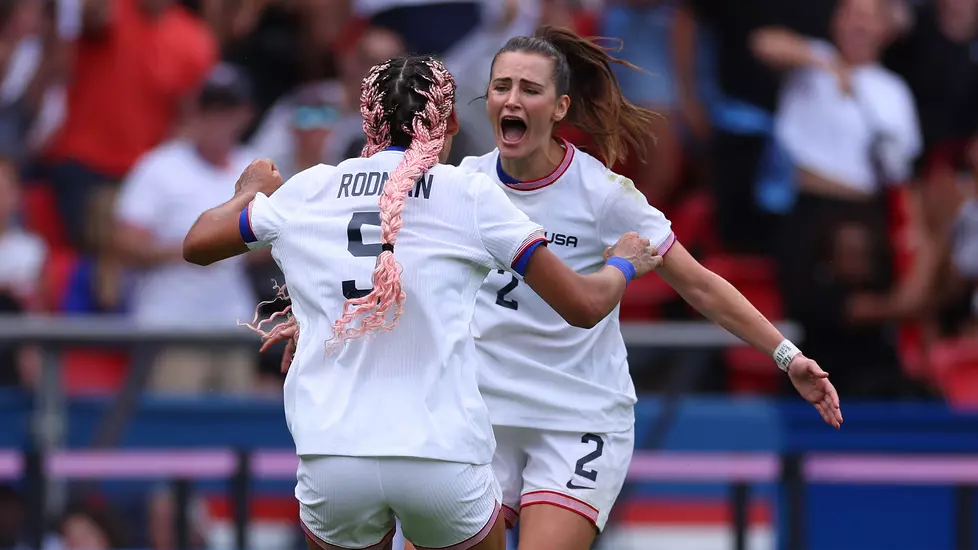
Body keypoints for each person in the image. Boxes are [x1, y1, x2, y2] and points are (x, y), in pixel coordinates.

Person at [182, 55, 662, 550]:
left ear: (367, 118)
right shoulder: (469, 194)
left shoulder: (310, 189)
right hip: (440, 459)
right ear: (450, 121)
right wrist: (622, 263)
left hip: (333, 457)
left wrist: (250, 192)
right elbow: (583, 307)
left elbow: (196, 245)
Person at [455, 27, 843, 550]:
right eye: (502, 86)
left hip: (576, 419)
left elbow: (700, 286)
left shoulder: (604, 194)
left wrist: (786, 355)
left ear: (560, 106)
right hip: (483, 416)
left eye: (530, 89)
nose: (512, 99)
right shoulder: (464, 185)